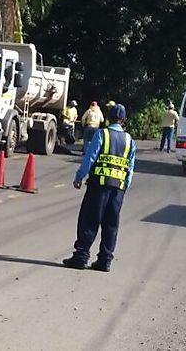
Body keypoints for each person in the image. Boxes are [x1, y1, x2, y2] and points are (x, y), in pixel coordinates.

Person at [63, 104, 137, 272]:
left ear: (108, 118)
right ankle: (104, 261)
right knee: (111, 224)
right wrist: (125, 186)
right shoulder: (129, 140)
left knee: (89, 220)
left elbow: (90, 157)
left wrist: (79, 176)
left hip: (99, 186)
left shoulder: (102, 134)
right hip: (118, 189)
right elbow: (130, 167)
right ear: (124, 120)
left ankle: (81, 257)